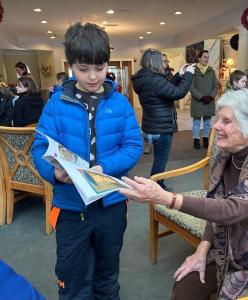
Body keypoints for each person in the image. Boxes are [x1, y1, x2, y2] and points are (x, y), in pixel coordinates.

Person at [119, 89, 248, 300]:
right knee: (186, 283)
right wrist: (202, 250)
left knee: (236, 296)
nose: (215, 126)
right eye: (217, 119)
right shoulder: (228, 154)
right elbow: (215, 203)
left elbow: (232, 209)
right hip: (234, 246)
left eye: (226, 121)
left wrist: (165, 198)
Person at [32, 22, 143, 300]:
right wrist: (55, 174)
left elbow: (133, 145)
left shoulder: (120, 103)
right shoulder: (56, 104)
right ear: (70, 65)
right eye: (83, 69)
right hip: (71, 206)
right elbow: (40, 147)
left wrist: (105, 167)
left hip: (111, 204)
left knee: (107, 274)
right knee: (72, 277)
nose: (93, 76)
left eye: (100, 67)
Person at [131, 48, 194, 190]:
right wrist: (189, 75)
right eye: (162, 61)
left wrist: (180, 74)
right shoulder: (154, 80)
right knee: (160, 159)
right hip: (161, 127)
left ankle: (157, 183)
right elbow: (178, 92)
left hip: (153, 125)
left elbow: (168, 87)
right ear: (155, 62)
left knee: (158, 158)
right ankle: (156, 186)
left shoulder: (146, 78)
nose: (164, 63)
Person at [190, 50, 218, 149]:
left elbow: (215, 86)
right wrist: (201, 97)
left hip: (209, 101)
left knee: (207, 122)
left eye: (207, 57)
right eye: (204, 57)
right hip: (197, 101)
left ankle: (206, 140)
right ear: (199, 58)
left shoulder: (211, 71)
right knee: (196, 123)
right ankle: (196, 141)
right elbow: (191, 87)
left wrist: (211, 96)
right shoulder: (193, 71)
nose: (206, 59)